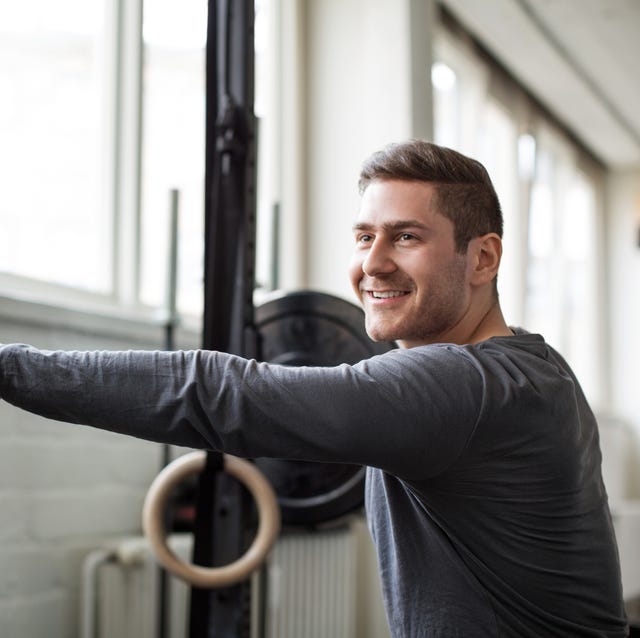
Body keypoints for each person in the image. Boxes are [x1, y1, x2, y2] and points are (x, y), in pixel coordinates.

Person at [0, 140, 628, 637]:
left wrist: (9, 366)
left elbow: (219, 393)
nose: (373, 263)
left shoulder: (470, 386)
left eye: (406, 236)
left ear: (483, 258)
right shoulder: (536, 366)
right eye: (363, 236)